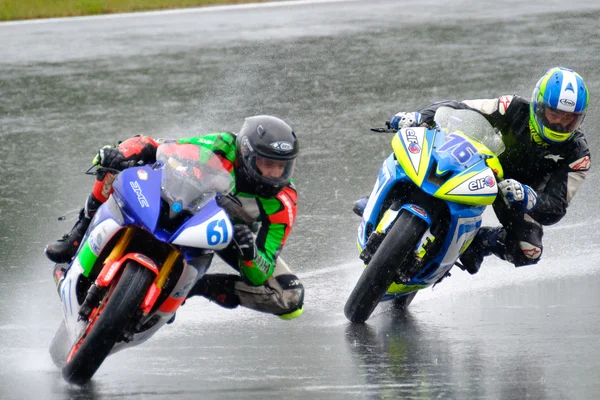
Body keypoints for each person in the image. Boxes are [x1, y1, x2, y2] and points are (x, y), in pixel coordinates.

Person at [46, 115, 304, 320]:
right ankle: (79, 230)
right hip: (188, 200)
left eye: (282, 166)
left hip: (228, 234)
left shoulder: (284, 202)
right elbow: (161, 146)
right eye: (267, 164)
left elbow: (263, 269)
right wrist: (121, 155)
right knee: (124, 154)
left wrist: (249, 255)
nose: (274, 174)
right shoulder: (223, 144)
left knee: (291, 299)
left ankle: (194, 287)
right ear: (247, 154)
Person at [358, 66, 591, 274]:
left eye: (569, 119)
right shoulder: (511, 107)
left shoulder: (577, 154)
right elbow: (459, 107)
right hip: (479, 165)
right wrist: (419, 116)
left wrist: (528, 198)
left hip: (518, 195)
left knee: (529, 251)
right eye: (554, 115)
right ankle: (381, 200)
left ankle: (479, 243)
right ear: (539, 107)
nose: (559, 124)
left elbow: (557, 207)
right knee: (423, 153)